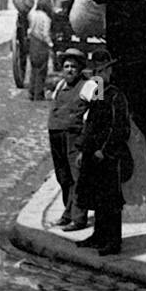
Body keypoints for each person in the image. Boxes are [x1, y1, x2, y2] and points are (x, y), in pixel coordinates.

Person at [74, 46, 132, 256]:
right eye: (95, 73)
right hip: (93, 154)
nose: (98, 76)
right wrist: (83, 150)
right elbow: (90, 123)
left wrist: (105, 150)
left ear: (108, 72)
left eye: (101, 72)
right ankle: (98, 235)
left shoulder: (116, 96)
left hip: (109, 155)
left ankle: (113, 241)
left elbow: (119, 128)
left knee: (111, 199)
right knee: (96, 196)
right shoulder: (97, 93)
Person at [47, 47, 91, 231]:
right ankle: (67, 213)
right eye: (66, 66)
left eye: (74, 66)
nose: (69, 70)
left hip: (74, 137)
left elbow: (96, 109)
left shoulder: (88, 86)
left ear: (80, 69)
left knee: (77, 177)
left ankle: (79, 218)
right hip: (56, 136)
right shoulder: (60, 86)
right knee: (63, 177)